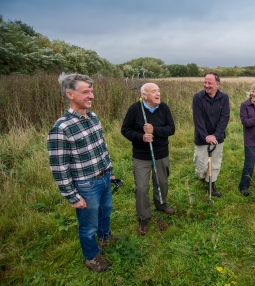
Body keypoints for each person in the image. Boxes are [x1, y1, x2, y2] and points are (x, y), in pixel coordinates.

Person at [47, 73, 117, 272]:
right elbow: (59, 167)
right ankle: (92, 257)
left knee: (106, 212)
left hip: (103, 177)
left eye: (92, 91)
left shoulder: (93, 117)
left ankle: (106, 238)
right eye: (85, 92)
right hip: (86, 185)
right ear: (70, 94)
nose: (91, 96)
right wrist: (72, 196)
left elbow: (102, 147)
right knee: (88, 226)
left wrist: (109, 171)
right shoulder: (61, 127)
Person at [121, 82, 175, 236]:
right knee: (142, 188)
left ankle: (161, 204)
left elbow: (171, 128)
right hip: (141, 156)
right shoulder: (135, 109)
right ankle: (143, 218)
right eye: (154, 91)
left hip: (161, 153)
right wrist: (141, 137)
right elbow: (125, 130)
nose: (158, 93)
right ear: (144, 96)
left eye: (158, 90)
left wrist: (154, 130)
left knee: (162, 182)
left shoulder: (164, 108)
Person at [192, 72, 230, 197]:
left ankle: (211, 184)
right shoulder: (198, 97)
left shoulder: (224, 98)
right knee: (201, 166)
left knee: (215, 163)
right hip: (201, 138)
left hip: (217, 138)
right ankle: (203, 176)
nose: (206, 85)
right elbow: (198, 119)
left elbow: (224, 117)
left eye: (209, 83)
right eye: (205, 82)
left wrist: (216, 135)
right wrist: (206, 136)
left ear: (217, 84)